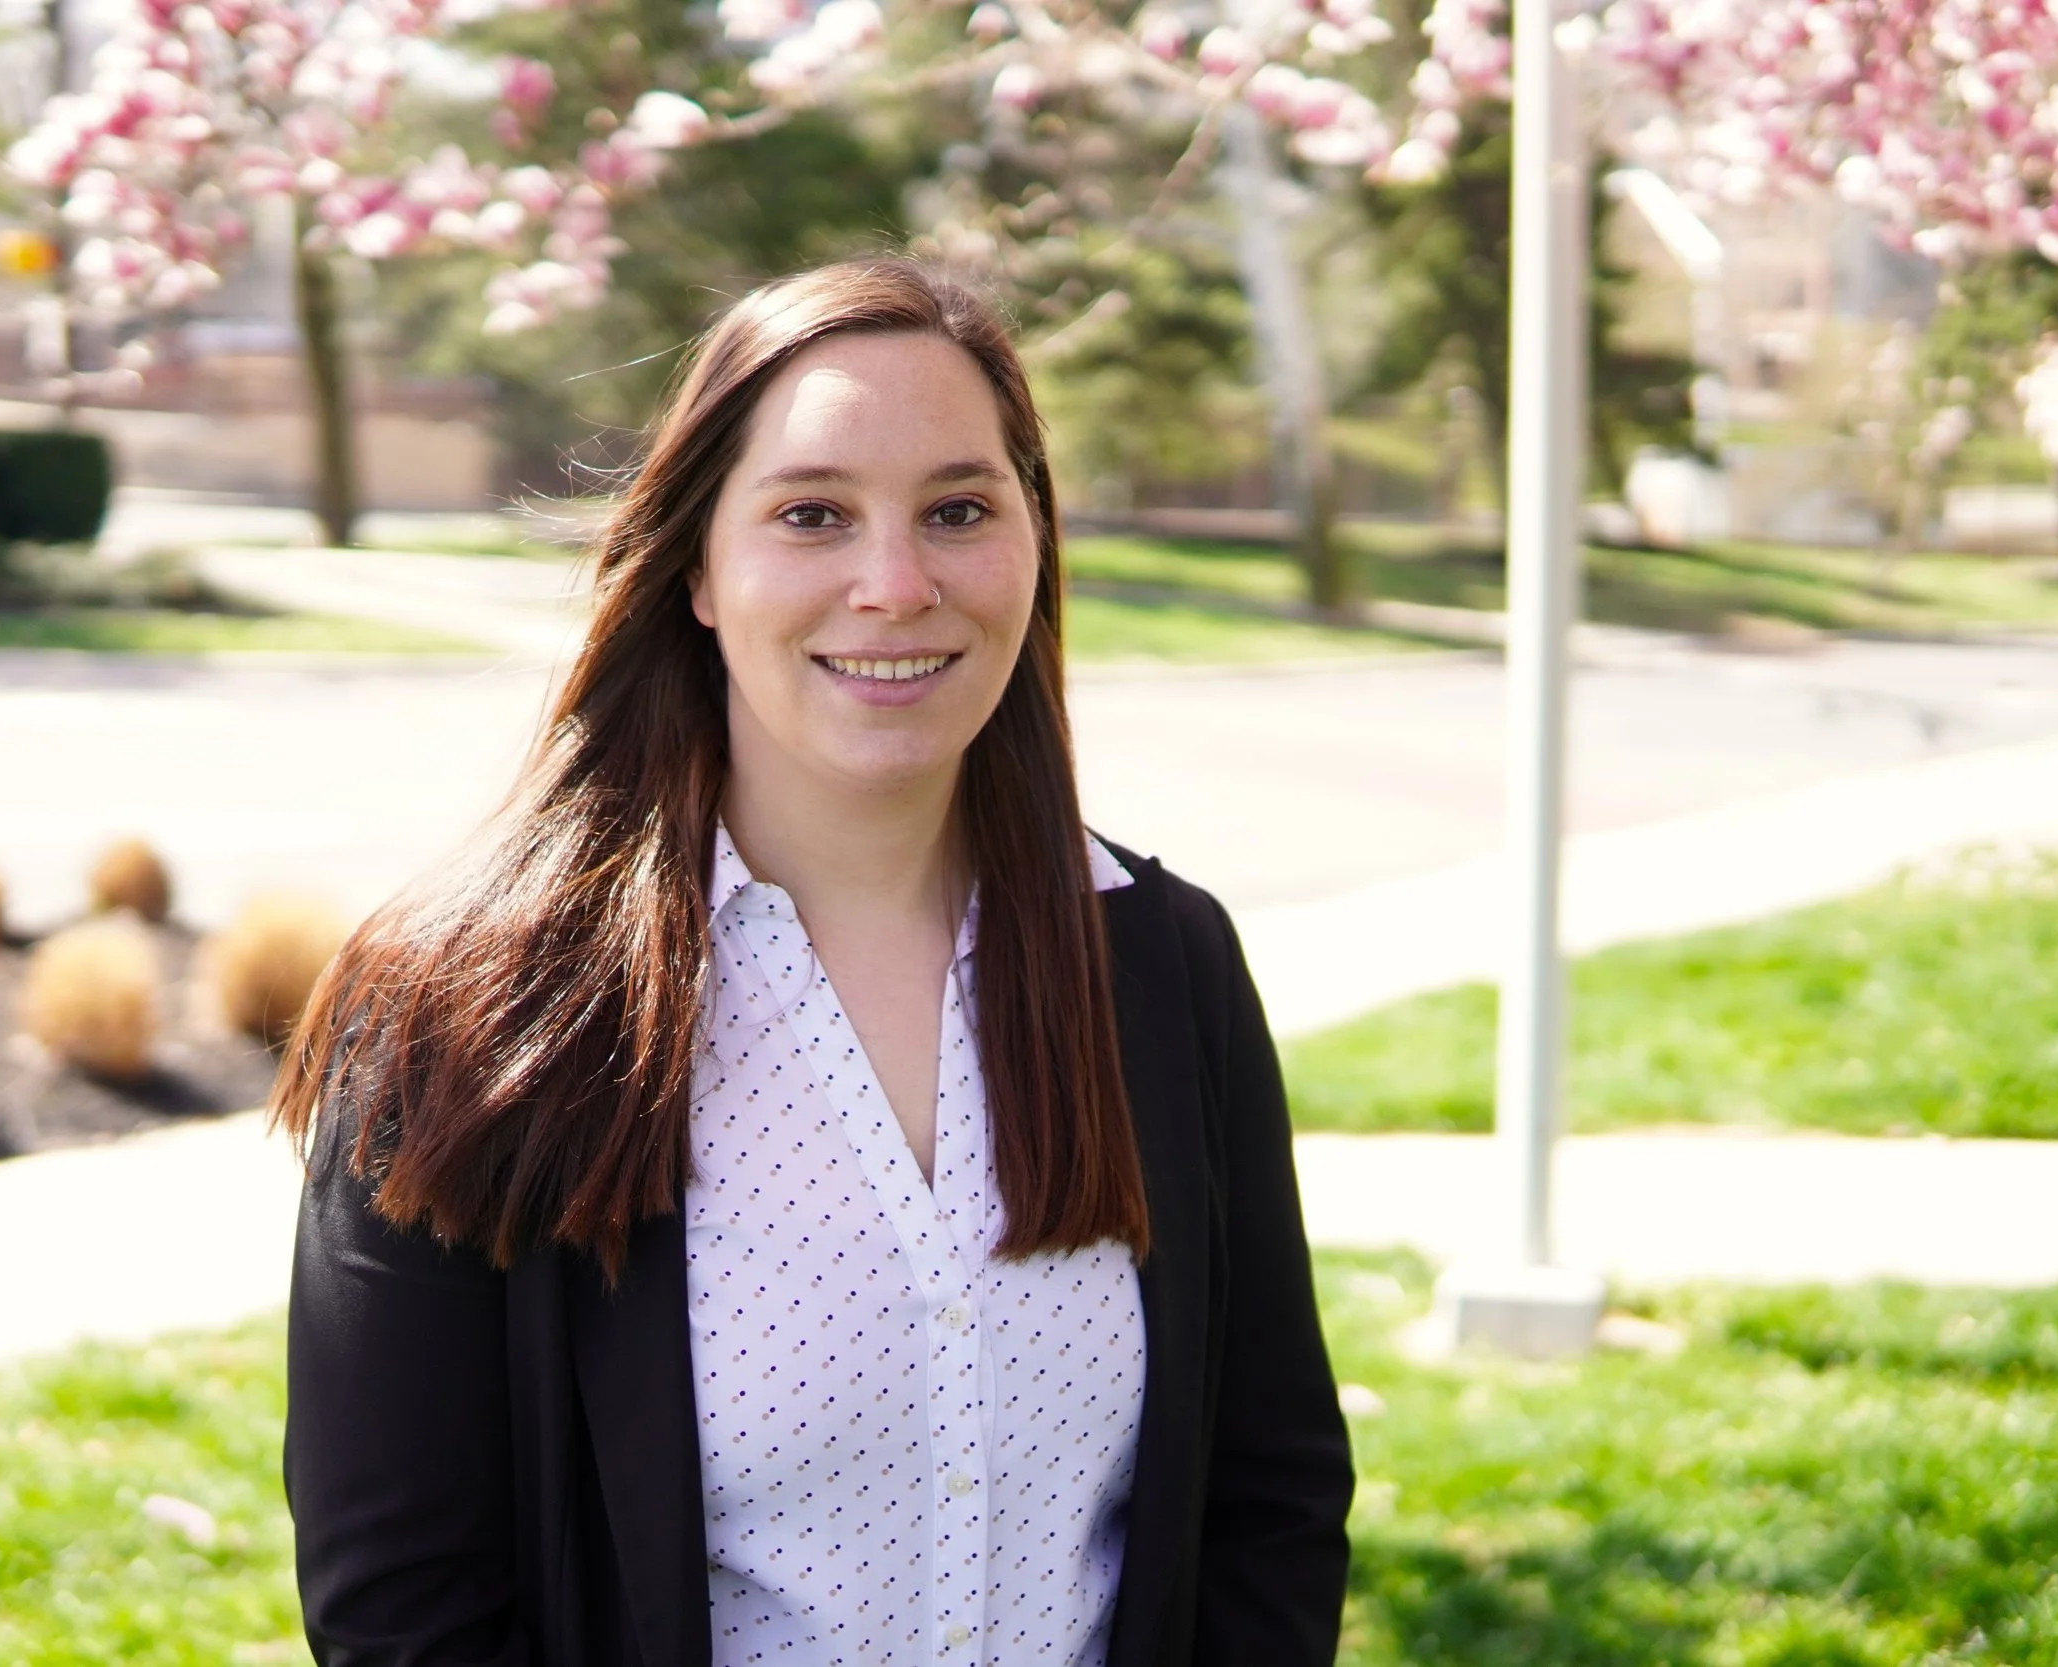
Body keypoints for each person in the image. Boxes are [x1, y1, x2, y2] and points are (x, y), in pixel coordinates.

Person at [273, 258, 1353, 1667]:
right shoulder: (466, 1011)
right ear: (701, 571)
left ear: (1033, 542)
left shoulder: (1161, 959)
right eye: (812, 515)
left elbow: (1267, 1497)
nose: (895, 585)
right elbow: (406, 1604)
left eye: (959, 510)